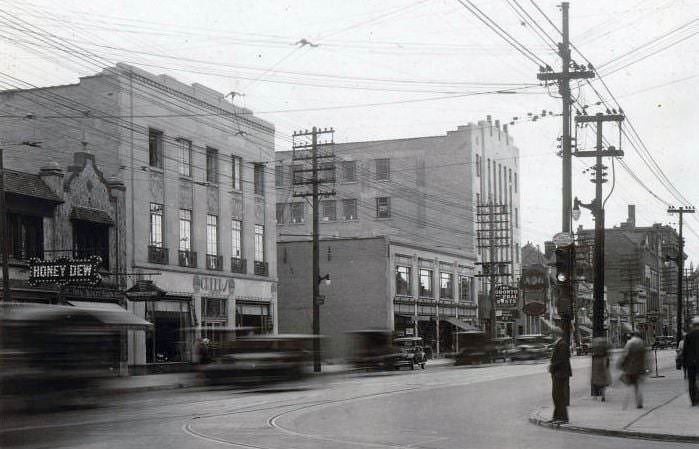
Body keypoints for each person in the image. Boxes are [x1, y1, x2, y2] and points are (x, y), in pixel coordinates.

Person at [618, 331, 648, 409]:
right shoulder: (642, 343)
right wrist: (647, 368)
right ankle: (639, 402)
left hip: (630, 368)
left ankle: (625, 403)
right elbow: (646, 357)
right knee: (638, 386)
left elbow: (625, 355)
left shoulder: (629, 343)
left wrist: (621, 364)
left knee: (628, 385)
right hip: (640, 368)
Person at [549, 327, 571, 423]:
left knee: (559, 396)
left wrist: (552, 366)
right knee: (556, 395)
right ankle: (557, 416)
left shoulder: (562, 344)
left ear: (556, 334)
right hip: (558, 373)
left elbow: (562, 360)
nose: (551, 336)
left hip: (561, 374)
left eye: (552, 334)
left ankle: (563, 418)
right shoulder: (559, 343)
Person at [682, 316, 699, 406]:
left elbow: (685, 351)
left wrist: (684, 364)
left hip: (691, 362)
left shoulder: (688, 336)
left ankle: (693, 400)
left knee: (691, 381)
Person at [590, 337, 611, 401]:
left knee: (595, 380)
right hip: (603, 362)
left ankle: (595, 396)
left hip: (596, 363)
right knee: (603, 380)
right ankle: (603, 395)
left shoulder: (594, 347)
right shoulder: (605, 346)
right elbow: (608, 356)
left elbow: (592, 354)